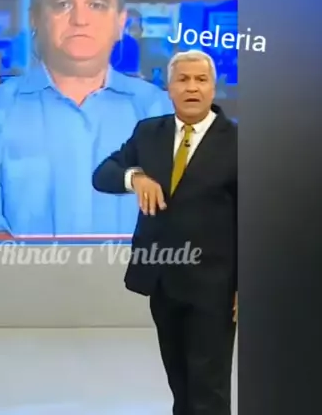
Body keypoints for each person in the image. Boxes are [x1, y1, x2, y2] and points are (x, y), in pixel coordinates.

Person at [0, 0, 172, 238]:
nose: (80, 20)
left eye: (97, 5)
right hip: (17, 269)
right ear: (35, 18)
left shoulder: (161, 110)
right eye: (62, 4)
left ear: (120, 23)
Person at [92, 50, 237, 415]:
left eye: (201, 80)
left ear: (213, 88)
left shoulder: (238, 142)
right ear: (169, 88)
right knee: (181, 383)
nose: (192, 88)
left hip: (215, 287)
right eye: (183, 80)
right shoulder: (148, 133)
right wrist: (135, 178)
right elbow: (103, 174)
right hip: (163, 281)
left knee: (209, 389)